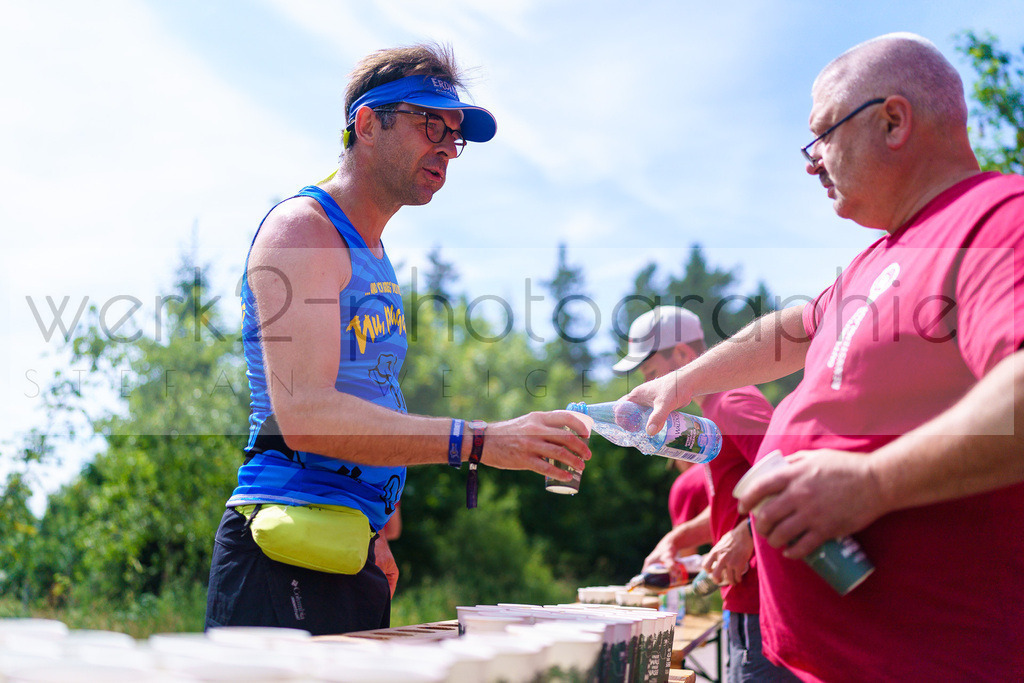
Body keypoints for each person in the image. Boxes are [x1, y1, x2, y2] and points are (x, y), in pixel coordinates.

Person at [627, 33, 1024, 681]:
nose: (811, 163)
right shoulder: (882, 255)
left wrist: (872, 483)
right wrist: (682, 382)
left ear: (893, 121)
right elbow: (796, 329)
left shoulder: (997, 219)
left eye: (823, 134)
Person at [205, 43, 591, 636]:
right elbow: (305, 414)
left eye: (455, 136)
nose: (447, 147)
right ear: (366, 123)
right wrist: (480, 441)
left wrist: (374, 526)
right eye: (430, 124)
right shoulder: (305, 229)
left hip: (345, 545)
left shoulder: (375, 253)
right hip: (281, 553)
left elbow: (368, 394)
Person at [616, 306, 796, 682]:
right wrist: (677, 539)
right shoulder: (710, 414)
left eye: (651, 373)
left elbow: (792, 473)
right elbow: (733, 505)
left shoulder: (730, 401)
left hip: (765, 602)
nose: (648, 388)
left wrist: (746, 533)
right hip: (744, 600)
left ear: (683, 355)